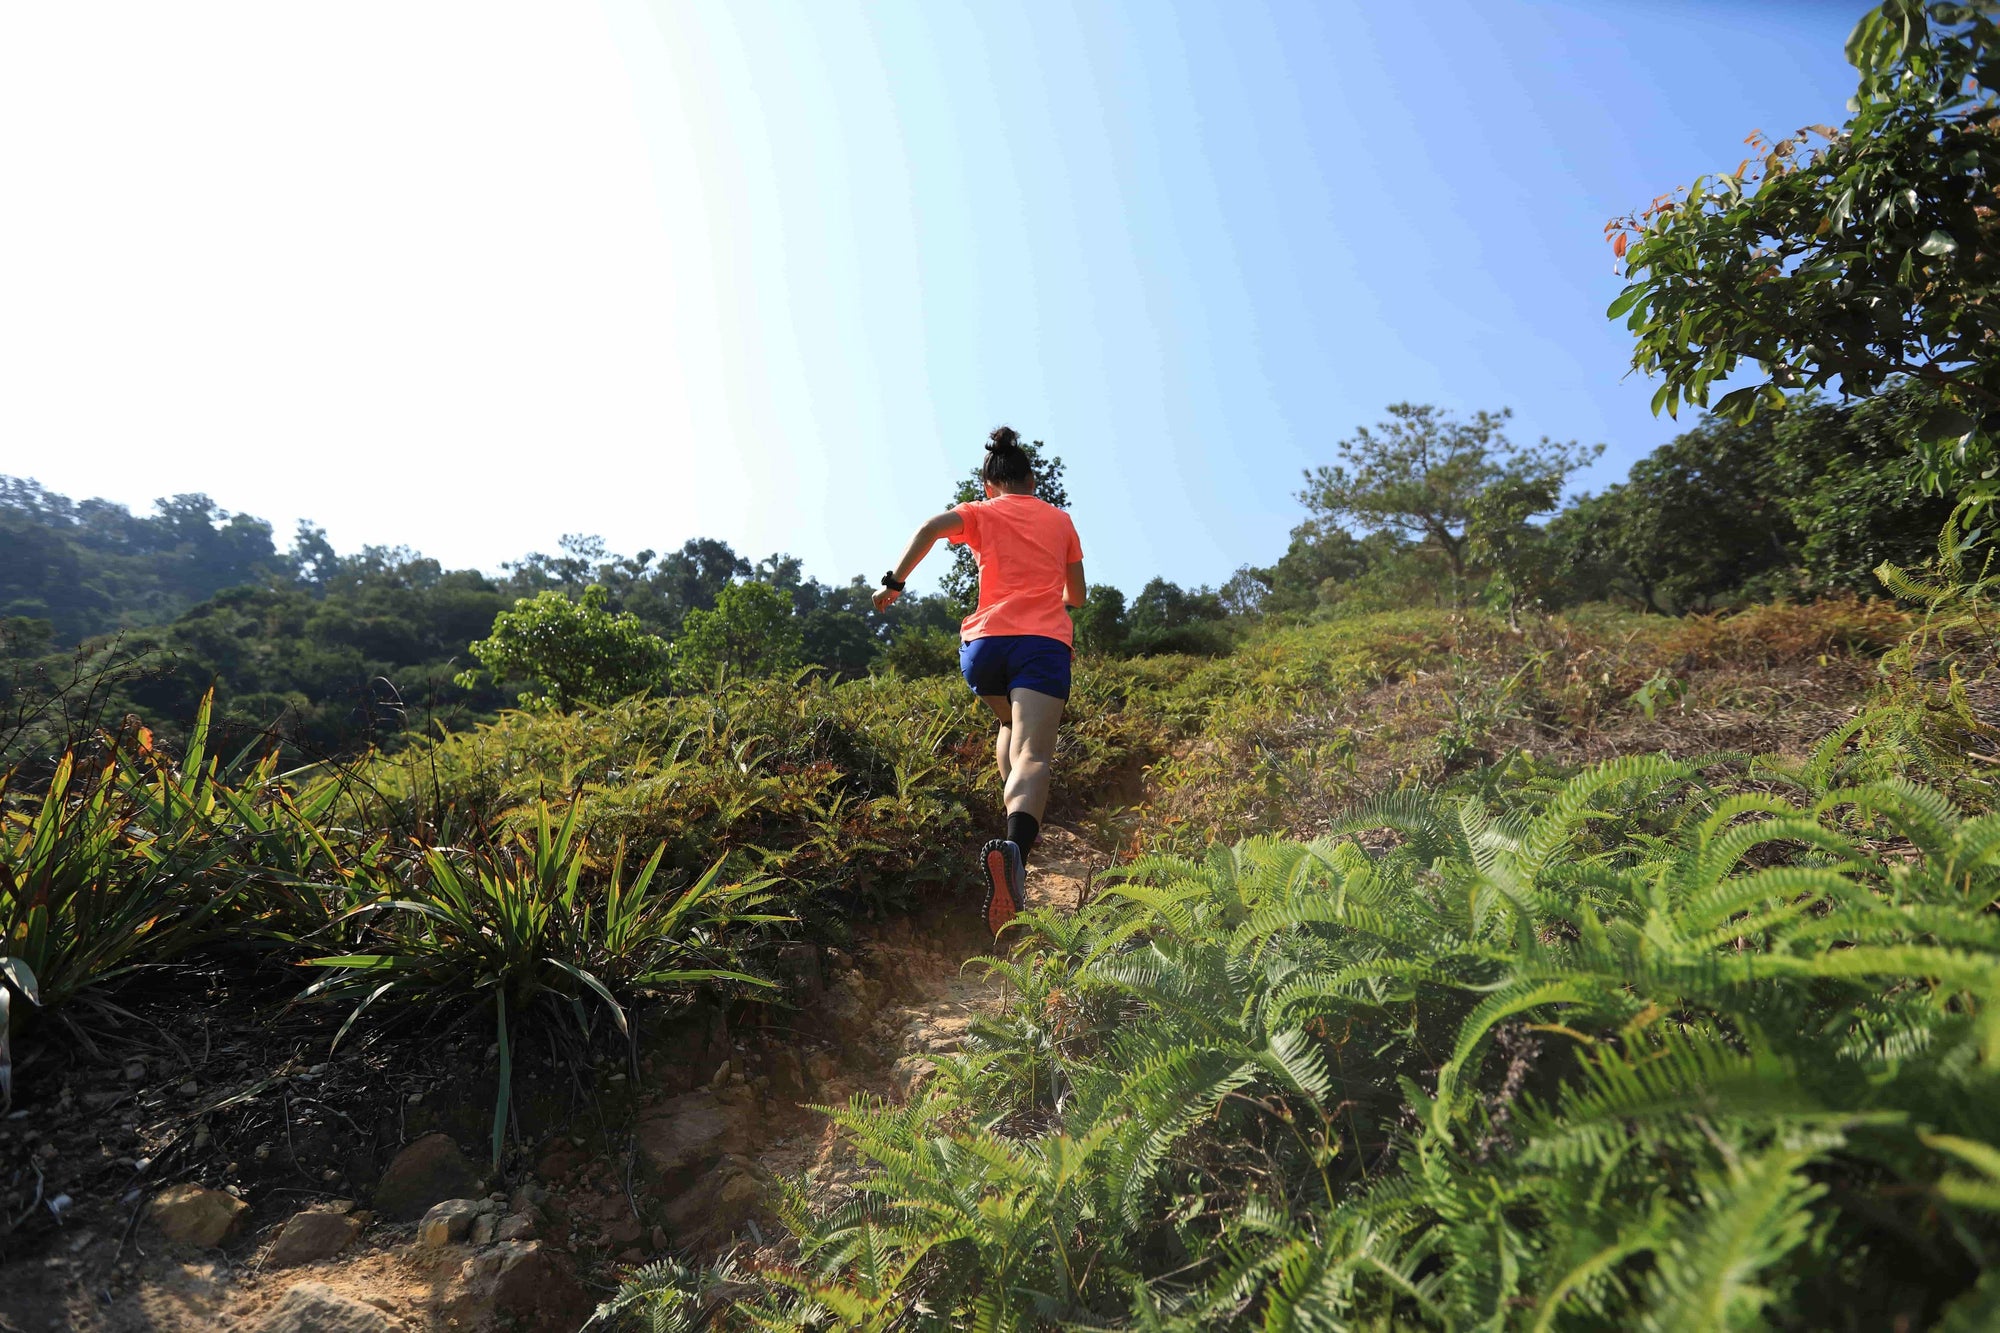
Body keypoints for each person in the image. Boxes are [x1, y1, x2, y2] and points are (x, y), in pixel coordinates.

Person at [873, 426, 1086, 933]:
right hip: (1041, 645)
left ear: (990, 484)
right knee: (1035, 755)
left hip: (985, 647)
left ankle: (1010, 819)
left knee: (1009, 725)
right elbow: (1075, 596)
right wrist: (1049, 602)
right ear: (1032, 479)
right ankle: (1015, 849)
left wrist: (895, 584)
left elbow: (928, 527)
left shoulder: (979, 512)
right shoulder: (1060, 521)